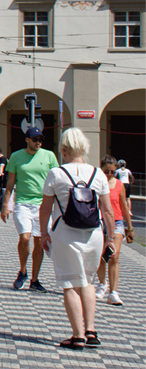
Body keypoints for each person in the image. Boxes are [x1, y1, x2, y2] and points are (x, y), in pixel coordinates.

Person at [38, 128, 114, 350]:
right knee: (88, 282)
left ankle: (77, 335)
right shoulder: (98, 174)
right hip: (94, 234)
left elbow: (45, 209)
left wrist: (43, 233)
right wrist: (109, 238)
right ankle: (91, 331)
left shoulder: (56, 173)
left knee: (70, 284)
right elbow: (107, 210)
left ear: (63, 149)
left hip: (65, 233)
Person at [1, 126, 59, 291]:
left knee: (39, 241)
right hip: (22, 203)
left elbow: (56, 180)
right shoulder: (16, 156)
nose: (38, 143)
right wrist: (6, 204)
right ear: (27, 139)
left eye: (40, 140)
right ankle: (23, 270)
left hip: (43, 204)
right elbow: (10, 183)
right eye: (35, 139)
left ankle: (34, 279)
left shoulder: (49, 156)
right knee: (25, 238)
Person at [95, 155, 133, 306]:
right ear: (101, 170)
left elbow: (124, 206)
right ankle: (102, 283)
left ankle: (113, 292)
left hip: (117, 222)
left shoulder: (119, 185)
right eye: (106, 171)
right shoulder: (97, 183)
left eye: (112, 172)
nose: (109, 175)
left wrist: (129, 228)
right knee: (100, 256)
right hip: (100, 221)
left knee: (113, 255)